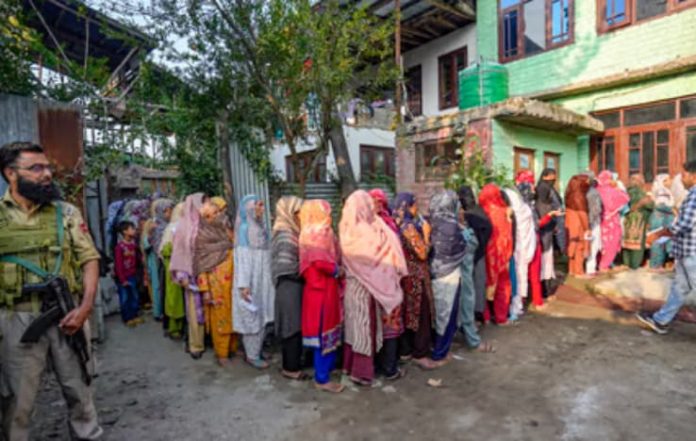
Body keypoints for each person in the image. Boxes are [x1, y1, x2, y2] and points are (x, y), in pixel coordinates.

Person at [0, 142, 102, 441]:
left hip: (67, 313)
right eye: (36, 168)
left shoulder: (66, 212)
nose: (47, 175)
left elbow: (90, 259)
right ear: (10, 174)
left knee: (80, 393)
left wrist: (85, 308)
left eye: (48, 168)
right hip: (16, 319)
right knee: (18, 403)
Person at [341, 190, 408, 385]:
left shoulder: (346, 227)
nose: (373, 207)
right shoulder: (368, 231)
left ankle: (352, 368)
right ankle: (363, 373)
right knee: (365, 331)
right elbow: (376, 259)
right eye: (369, 204)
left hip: (354, 288)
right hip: (368, 289)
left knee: (357, 330)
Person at [638, 161, 696, 334]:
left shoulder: (694, 195)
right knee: (680, 288)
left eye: (684, 175)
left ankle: (661, 320)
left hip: (692, 252)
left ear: (694, 176)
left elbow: (683, 224)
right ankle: (661, 320)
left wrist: (660, 233)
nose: (681, 180)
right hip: (686, 250)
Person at [299, 200, 344, 393]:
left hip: (324, 290)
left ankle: (325, 371)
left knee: (327, 332)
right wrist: (336, 269)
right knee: (322, 332)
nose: (329, 216)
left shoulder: (315, 232)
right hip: (321, 292)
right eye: (326, 212)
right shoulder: (315, 234)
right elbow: (319, 261)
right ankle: (322, 378)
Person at [392, 193, 438, 368]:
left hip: (404, 276)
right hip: (415, 276)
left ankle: (406, 351)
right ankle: (420, 353)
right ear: (408, 206)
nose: (416, 208)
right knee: (420, 314)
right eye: (414, 205)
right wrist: (427, 235)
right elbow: (422, 253)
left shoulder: (396, 224)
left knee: (408, 313)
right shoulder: (408, 227)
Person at [233, 195, 275, 369]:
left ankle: (256, 350)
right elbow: (242, 258)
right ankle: (251, 355)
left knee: (262, 314)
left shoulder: (259, 226)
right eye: (259, 205)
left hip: (262, 278)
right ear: (249, 208)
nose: (262, 209)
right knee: (252, 316)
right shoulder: (244, 229)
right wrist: (244, 285)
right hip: (250, 280)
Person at [195, 197, 237, 367]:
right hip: (215, 285)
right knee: (220, 318)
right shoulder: (201, 236)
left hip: (233, 280)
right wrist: (205, 290)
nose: (218, 216)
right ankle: (222, 354)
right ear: (205, 218)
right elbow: (200, 265)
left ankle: (233, 347)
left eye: (218, 212)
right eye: (213, 214)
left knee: (234, 314)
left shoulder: (226, 230)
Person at [368, 189, 405, 380]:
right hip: (382, 281)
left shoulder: (383, 224)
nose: (374, 205)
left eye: (377, 201)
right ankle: (387, 366)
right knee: (383, 325)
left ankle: (388, 365)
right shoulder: (381, 224)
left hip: (384, 281)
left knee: (387, 325)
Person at [429, 190, 469, 362]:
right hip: (450, 273)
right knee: (448, 314)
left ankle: (435, 348)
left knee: (437, 312)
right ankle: (441, 352)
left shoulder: (429, 220)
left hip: (433, 272)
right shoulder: (452, 225)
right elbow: (462, 248)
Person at [271, 196, 306, 380]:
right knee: (291, 327)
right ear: (290, 213)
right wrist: (308, 267)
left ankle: (293, 364)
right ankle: (290, 369)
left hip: (293, 286)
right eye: (299, 212)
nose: (302, 215)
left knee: (295, 326)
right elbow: (285, 267)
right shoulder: (285, 234)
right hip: (288, 286)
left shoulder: (291, 231)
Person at [170, 193, 206, 359]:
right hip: (191, 275)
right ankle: (195, 344)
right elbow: (179, 252)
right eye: (203, 203)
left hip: (207, 272)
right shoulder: (183, 228)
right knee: (194, 310)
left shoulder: (205, 224)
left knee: (208, 308)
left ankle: (208, 339)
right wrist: (182, 274)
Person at [479, 184, 514, 325]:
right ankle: (501, 317)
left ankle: (486, 317)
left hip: (485, 254)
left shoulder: (481, 211)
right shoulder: (503, 212)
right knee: (502, 286)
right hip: (500, 254)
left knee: (483, 284)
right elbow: (507, 236)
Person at [458, 186, 492, 319]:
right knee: (477, 283)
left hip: (472, 253)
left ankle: (473, 315)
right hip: (480, 251)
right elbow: (489, 229)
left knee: (472, 284)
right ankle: (478, 314)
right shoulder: (479, 210)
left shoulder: (469, 215)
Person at [504, 185, 536, 319]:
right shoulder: (525, 209)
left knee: (514, 277)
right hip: (525, 247)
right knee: (520, 275)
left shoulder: (512, 213)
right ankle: (518, 305)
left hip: (515, 248)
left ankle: (514, 307)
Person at [159, 202, 186, 340]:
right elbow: (164, 249)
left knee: (180, 299)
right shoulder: (172, 228)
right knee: (174, 299)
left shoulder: (184, 226)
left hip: (182, 267)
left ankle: (179, 327)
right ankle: (174, 327)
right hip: (173, 268)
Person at [535, 169, 562, 297]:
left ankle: (545, 287)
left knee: (546, 260)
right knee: (544, 260)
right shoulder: (543, 195)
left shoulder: (544, 192)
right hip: (543, 232)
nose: (552, 180)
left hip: (547, 231)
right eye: (550, 177)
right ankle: (544, 289)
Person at [596, 171, 630, 272]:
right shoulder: (613, 191)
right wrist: (616, 187)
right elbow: (625, 198)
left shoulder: (596, 190)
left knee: (601, 242)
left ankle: (600, 263)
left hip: (600, 220)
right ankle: (604, 265)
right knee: (612, 242)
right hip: (611, 221)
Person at [622, 174, 654, 270]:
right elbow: (650, 205)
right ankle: (634, 265)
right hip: (638, 220)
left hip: (627, 219)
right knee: (637, 244)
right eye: (642, 179)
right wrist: (650, 201)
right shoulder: (639, 193)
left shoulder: (626, 192)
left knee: (627, 243)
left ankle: (626, 263)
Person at [114, 221, 143, 327]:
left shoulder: (134, 245)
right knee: (125, 297)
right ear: (125, 231)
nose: (134, 230)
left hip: (133, 275)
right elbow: (118, 265)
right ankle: (127, 317)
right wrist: (122, 279)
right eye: (132, 229)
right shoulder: (120, 247)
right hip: (124, 277)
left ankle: (134, 315)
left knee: (134, 296)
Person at [564, 175, 591, 277]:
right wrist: (587, 228)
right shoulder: (579, 196)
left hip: (570, 222)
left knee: (572, 246)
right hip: (578, 223)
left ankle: (571, 270)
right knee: (580, 246)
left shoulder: (569, 194)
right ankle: (578, 271)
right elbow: (582, 214)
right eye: (587, 182)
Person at [648, 174, 676, 269]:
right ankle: (656, 265)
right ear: (663, 182)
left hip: (663, 219)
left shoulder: (665, 191)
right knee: (658, 242)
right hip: (661, 220)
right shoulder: (662, 191)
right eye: (668, 180)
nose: (671, 182)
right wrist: (673, 211)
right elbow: (660, 205)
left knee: (661, 241)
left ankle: (658, 264)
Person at [585, 175, 603, 276]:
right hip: (593, 222)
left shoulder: (580, 191)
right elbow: (597, 209)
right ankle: (590, 269)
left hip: (583, 221)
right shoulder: (594, 193)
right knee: (593, 245)